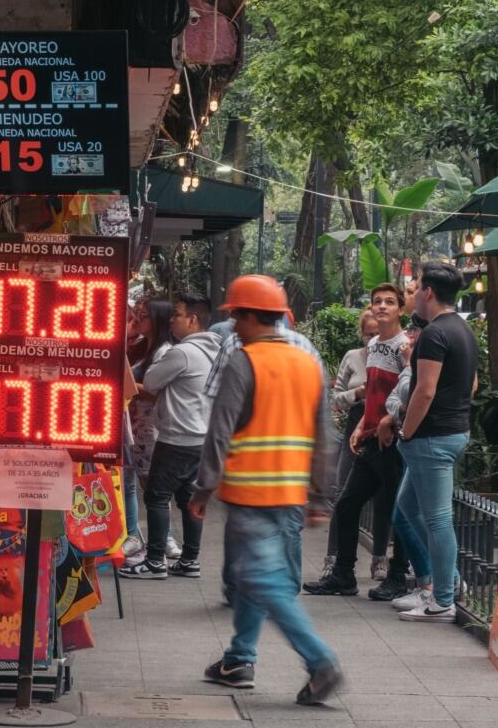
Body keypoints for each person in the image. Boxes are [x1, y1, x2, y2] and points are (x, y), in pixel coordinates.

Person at [190, 275, 342, 704]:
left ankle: (320, 661)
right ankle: (239, 658)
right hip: (291, 494)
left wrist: (202, 490)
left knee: (262, 578)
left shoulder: (245, 361)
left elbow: (219, 433)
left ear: (253, 316)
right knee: (252, 577)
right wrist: (319, 497)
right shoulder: (307, 363)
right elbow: (323, 435)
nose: (233, 323)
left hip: (250, 494)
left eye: (237, 314)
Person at [304, 284, 412, 600]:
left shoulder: (404, 345)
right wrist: (363, 424)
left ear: (401, 310)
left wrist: (388, 423)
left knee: (397, 511)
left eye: (389, 302)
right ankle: (343, 574)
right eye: (377, 301)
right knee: (347, 504)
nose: (381, 307)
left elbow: (408, 392)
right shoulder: (377, 344)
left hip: (392, 440)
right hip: (369, 438)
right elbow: (376, 394)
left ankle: (397, 576)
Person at [394, 262, 477, 622]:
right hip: (449, 432)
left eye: (414, 288)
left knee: (438, 519)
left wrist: (407, 432)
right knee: (407, 509)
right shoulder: (462, 329)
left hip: (432, 437)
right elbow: (470, 386)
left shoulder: (434, 333)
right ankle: (445, 584)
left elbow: (424, 392)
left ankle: (443, 600)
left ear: (428, 291)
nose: (411, 295)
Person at [119, 293, 220, 580]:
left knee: (156, 496)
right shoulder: (215, 350)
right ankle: (189, 560)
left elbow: (150, 382)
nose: (173, 320)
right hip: (201, 437)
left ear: (193, 319)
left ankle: (154, 561)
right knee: (189, 498)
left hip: (177, 437)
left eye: (177, 314)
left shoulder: (183, 352)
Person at [323, 308, 378, 574]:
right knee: (342, 493)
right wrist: (357, 393)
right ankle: (334, 558)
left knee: (384, 497)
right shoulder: (353, 358)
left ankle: (380, 559)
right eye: (368, 334)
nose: (372, 339)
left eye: (377, 333)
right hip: (354, 428)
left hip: (382, 430)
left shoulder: (398, 355)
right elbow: (335, 399)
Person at [123, 298, 175, 562]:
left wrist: (131, 384)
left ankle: (163, 539)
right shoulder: (141, 346)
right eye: (135, 316)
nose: (137, 321)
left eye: (142, 317)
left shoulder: (165, 352)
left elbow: (156, 391)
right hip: (132, 425)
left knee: (152, 486)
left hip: (148, 427)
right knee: (130, 482)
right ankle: (137, 535)